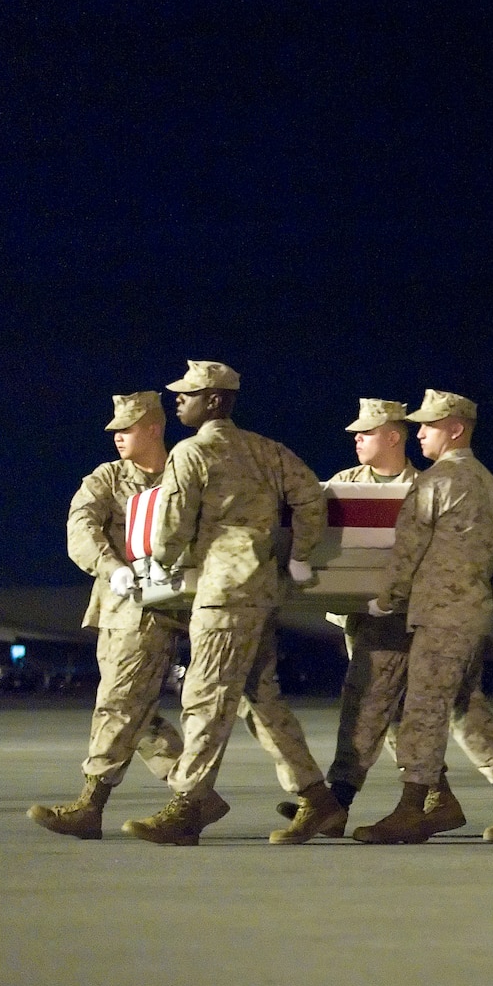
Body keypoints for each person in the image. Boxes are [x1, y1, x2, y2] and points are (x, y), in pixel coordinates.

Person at [122, 361, 336, 846]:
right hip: (259, 587)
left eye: (188, 394)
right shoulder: (268, 450)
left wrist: (161, 564)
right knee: (258, 699)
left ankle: (188, 804)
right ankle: (318, 799)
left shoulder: (192, 451)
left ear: (214, 400)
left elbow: (172, 524)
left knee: (206, 696)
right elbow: (310, 498)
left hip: (221, 590)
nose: (178, 399)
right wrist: (300, 554)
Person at [352, 390, 493, 844]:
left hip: (437, 615)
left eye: (429, 426)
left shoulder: (435, 482)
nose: (419, 433)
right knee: (463, 708)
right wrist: (482, 591)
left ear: (455, 429)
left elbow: (408, 551)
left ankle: (412, 809)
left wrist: (388, 599)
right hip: (472, 613)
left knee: (422, 709)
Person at [30, 391, 215, 838]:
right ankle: (196, 797)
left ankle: (91, 806)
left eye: (126, 429)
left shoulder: (187, 474)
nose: (116, 437)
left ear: (153, 428)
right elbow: (81, 529)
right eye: (114, 430)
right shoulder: (108, 479)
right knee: (135, 710)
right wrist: (111, 568)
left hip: (177, 605)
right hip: (123, 606)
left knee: (118, 704)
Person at [271, 398, 426, 832]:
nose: (357, 438)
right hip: (360, 617)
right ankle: (433, 798)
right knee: (387, 711)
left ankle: (337, 800)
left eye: (367, 432)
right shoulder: (342, 485)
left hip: (408, 615)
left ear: (393, 436)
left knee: (370, 703)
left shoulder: (425, 487)